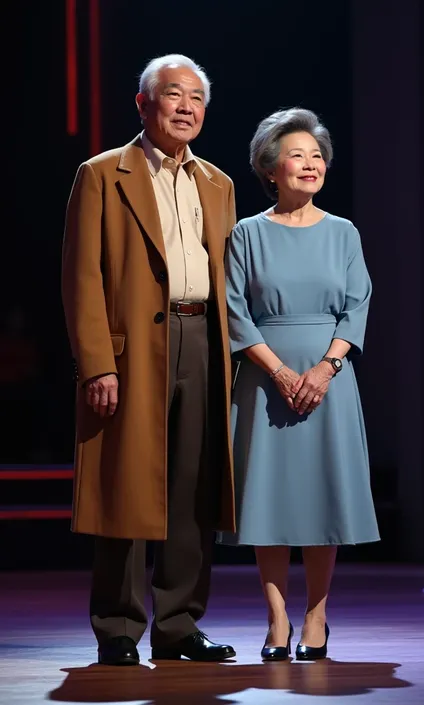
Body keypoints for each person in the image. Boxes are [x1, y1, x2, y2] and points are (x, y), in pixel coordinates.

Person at [62, 54, 237, 666]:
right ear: (144, 104)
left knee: (193, 488)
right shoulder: (103, 174)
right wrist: (96, 364)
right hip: (132, 349)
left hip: (203, 343)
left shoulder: (218, 183)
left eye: (196, 96)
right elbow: (82, 278)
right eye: (172, 94)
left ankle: (179, 623)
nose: (186, 106)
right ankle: (117, 626)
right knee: (126, 484)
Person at [219, 108, 380, 661]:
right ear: (270, 167)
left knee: (321, 499)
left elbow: (357, 306)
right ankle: (276, 618)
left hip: (329, 384)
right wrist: (283, 371)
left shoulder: (343, 233)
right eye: (297, 154)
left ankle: (316, 615)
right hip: (265, 382)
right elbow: (235, 313)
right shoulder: (246, 232)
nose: (310, 164)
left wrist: (325, 368)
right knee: (267, 502)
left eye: (317, 156)